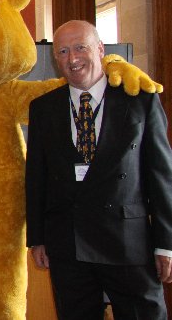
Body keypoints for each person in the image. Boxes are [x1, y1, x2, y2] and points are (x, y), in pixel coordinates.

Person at [25, 20, 172, 320]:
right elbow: (36, 177)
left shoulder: (140, 99)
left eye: (81, 47)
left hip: (128, 243)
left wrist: (166, 244)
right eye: (63, 51)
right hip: (68, 243)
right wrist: (37, 237)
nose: (72, 58)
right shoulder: (44, 107)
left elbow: (161, 176)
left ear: (101, 49)